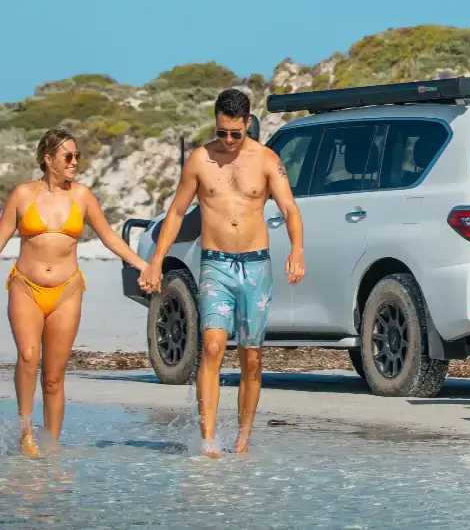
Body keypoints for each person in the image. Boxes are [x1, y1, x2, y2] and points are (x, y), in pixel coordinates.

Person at [138, 88, 304, 457]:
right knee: (212, 346)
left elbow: (290, 209)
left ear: (248, 123)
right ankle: (209, 438)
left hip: (255, 266)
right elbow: (177, 213)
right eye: (221, 132)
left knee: (252, 356)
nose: (227, 140)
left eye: (235, 133)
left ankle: (243, 439)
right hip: (215, 264)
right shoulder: (200, 160)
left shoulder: (267, 160)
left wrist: (297, 250)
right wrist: (155, 261)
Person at [0, 128, 148, 456]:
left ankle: (51, 444)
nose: (74, 162)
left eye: (77, 156)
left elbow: (109, 236)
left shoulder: (81, 195)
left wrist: (143, 265)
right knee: (27, 357)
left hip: (68, 291)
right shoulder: (23, 195)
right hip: (26, 286)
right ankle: (26, 434)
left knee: (54, 376)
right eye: (68, 156)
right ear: (47, 159)